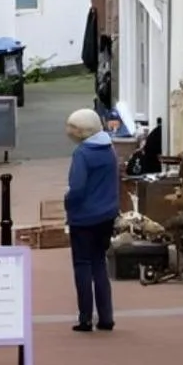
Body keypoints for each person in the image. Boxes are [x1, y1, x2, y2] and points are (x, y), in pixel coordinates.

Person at [64, 108, 120, 333]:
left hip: (83, 217)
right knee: (99, 263)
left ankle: (85, 317)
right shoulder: (109, 149)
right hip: (106, 214)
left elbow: (77, 188)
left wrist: (68, 201)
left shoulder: (82, 153)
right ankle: (106, 317)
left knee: (82, 265)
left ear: (80, 131)